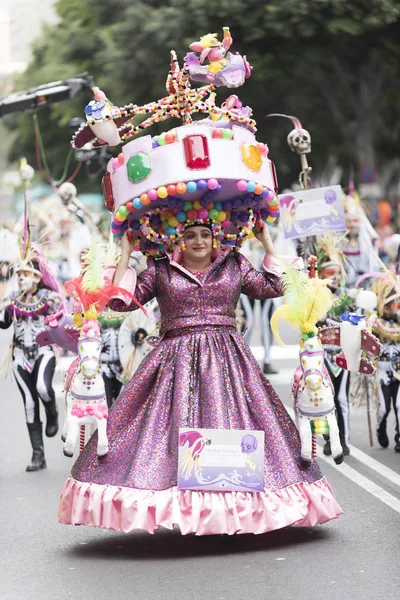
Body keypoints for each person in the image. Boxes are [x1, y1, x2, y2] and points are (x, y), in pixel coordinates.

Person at [58, 223, 342, 535]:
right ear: (178, 237)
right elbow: (120, 302)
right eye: (190, 234)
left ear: (215, 238)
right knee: (161, 433)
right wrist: (126, 251)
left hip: (229, 360)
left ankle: (234, 510)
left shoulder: (234, 264)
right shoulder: (160, 269)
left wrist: (266, 242)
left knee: (236, 423)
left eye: (205, 235)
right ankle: (188, 509)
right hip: (172, 363)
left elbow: (274, 288)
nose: (198, 241)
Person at [0, 245, 63, 471]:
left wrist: (58, 311)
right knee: (28, 402)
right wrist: (3, 308)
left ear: (36, 277)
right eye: (18, 276)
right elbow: (4, 324)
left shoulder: (49, 298)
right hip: (19, 356)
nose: (21, 279)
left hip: (43, 352)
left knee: (43, 388)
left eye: (25, 275)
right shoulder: (12, 299)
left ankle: (52, 412)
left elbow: (61, 320)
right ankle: (38, 455)